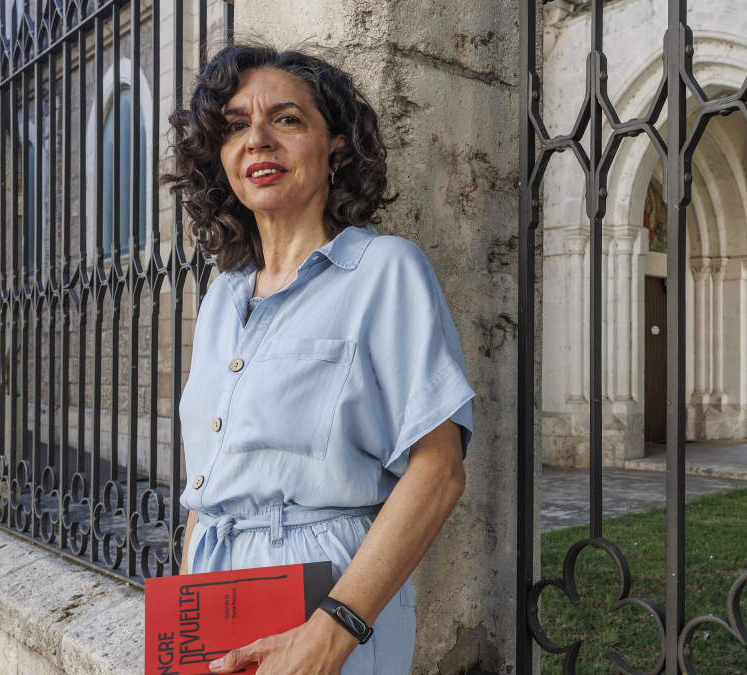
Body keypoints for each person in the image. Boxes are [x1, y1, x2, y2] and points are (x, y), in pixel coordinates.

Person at [162, 43, 475, 675]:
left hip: (328, 606)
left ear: (335, 146)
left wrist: (332, 632)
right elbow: (209, 486)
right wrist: (186, 610)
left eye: (286, 119)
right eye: (234, 126)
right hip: (210, 606)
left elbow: (438, 471)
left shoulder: (383, 271)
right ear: (218, 156)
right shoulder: (223, 297)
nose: (257, 140)